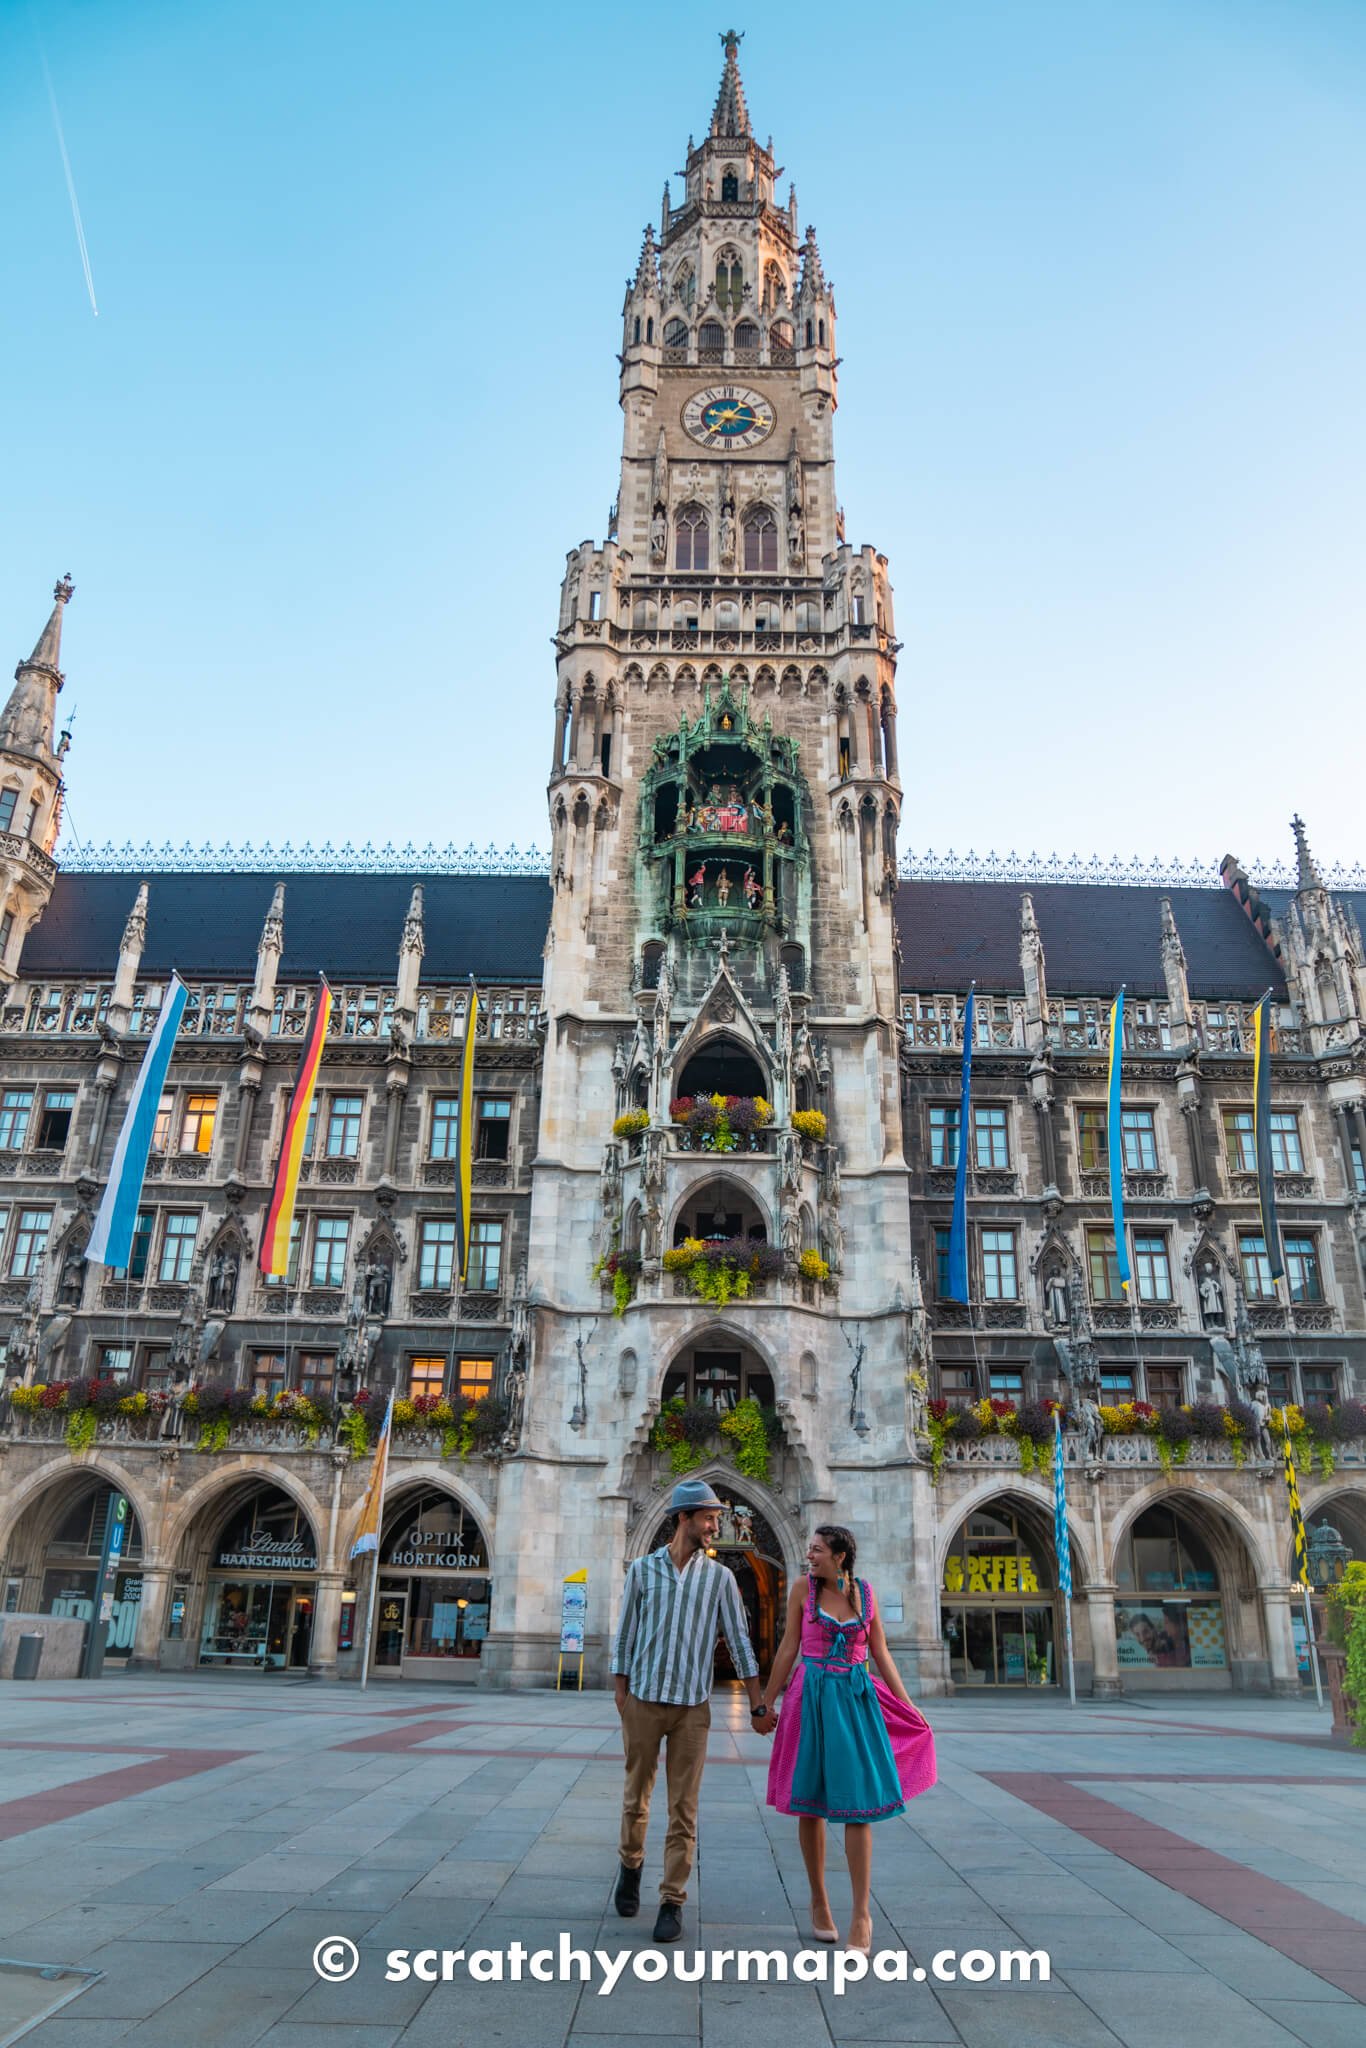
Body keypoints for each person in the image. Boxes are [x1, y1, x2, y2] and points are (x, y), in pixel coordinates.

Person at [610, 1478, 775, 1943]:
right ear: (683, 1518)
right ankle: (630, 1865)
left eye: (717, 1518)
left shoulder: (720, 1578)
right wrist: (621, 1693)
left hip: (692, 1709)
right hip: (643, 1699)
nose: (714, 1526)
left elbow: (740, 1642)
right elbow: (625, 1633)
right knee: (634, 1798)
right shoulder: (642, 1571)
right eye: (708, 1518)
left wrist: (759, 1701)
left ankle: (671, 1900)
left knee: (684, 1808)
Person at [764, 1525, 935, 1951]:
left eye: (817, 1550)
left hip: (855, 1699)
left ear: (840, 1556)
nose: (810, 1555)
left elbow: (881, 1653)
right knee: (811, 1803)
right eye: (809, 1549)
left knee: (858, 1807)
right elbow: (788, 1649)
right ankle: (819, 1901)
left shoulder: (866, 1594)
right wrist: (764, 1702)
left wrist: (908, 1704)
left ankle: (861, 1914)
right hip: (811, 1698)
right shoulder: (804, 1590)